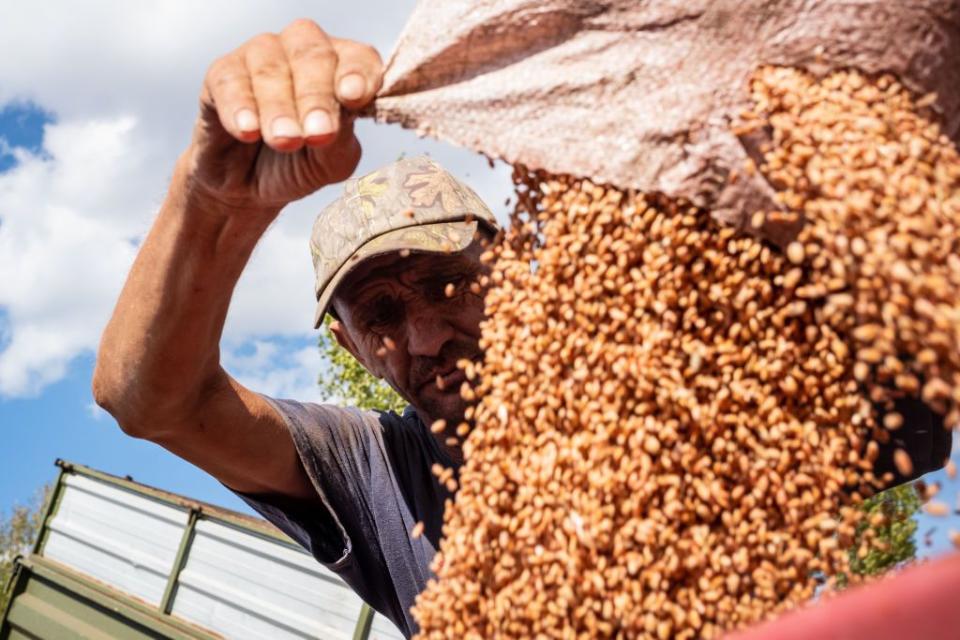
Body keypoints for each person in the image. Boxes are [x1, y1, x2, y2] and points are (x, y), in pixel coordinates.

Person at [93, 17, 950, 639]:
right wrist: (213, 202)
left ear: (514, 268)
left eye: (449, 282)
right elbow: (150, 401)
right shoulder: (379, 473)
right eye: (382, 315)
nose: (426, 335)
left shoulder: (683, 385)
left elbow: (911, 354)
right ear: (350, 347)